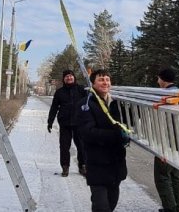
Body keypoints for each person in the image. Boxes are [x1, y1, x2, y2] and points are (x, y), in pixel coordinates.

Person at [76, 69, 130, 212]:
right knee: (101, 206)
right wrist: (117, 135)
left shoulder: (116, 103)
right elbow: (88, 133)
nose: (105, 82)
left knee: (111, 203)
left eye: (107, 79)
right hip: (97, 163)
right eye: (101, 79)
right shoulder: (86, 104)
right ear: (93, 83)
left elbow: (128, 122)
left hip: (116, 163)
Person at [154, 68, 179, 212]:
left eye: (158, 79)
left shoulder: (166, 95)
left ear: (162, 79)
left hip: (168, 138)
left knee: (162, 175)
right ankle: (176, 207)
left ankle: (170, 209)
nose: (157, 81)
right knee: (174, 173)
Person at [47, 70, 88, 177]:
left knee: (82, 146)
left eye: (70, 76)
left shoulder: (82, 90)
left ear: (74, 77)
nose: (69, 78)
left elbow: (90, 102)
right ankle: (65, 167)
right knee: (64, 146)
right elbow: (54, 107)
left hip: (79, 122)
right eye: (66, 77)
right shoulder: (59, 92)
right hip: (65, 123)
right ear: (63, 79)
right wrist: (50, 121)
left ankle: (83, 166)